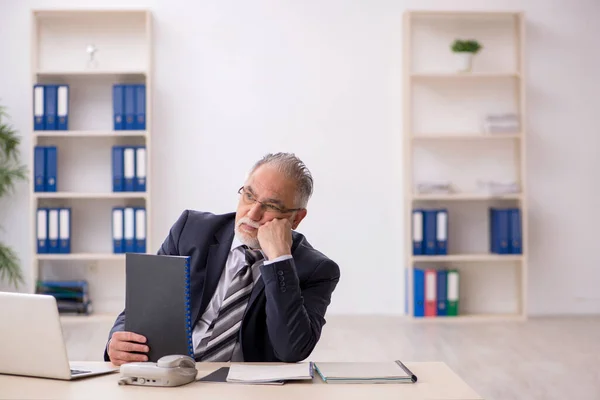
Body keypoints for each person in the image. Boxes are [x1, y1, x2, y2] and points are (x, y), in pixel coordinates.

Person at [104, 153, 340, 364]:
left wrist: (279, 261)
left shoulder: (317, 270)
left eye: (270, 206)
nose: (253, 213)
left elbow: (292, 350)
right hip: (175, 372)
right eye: (249, 195)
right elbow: (145, 306)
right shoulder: (191, 230)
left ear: (296, 219)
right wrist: (118, 340)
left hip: (246, 388)